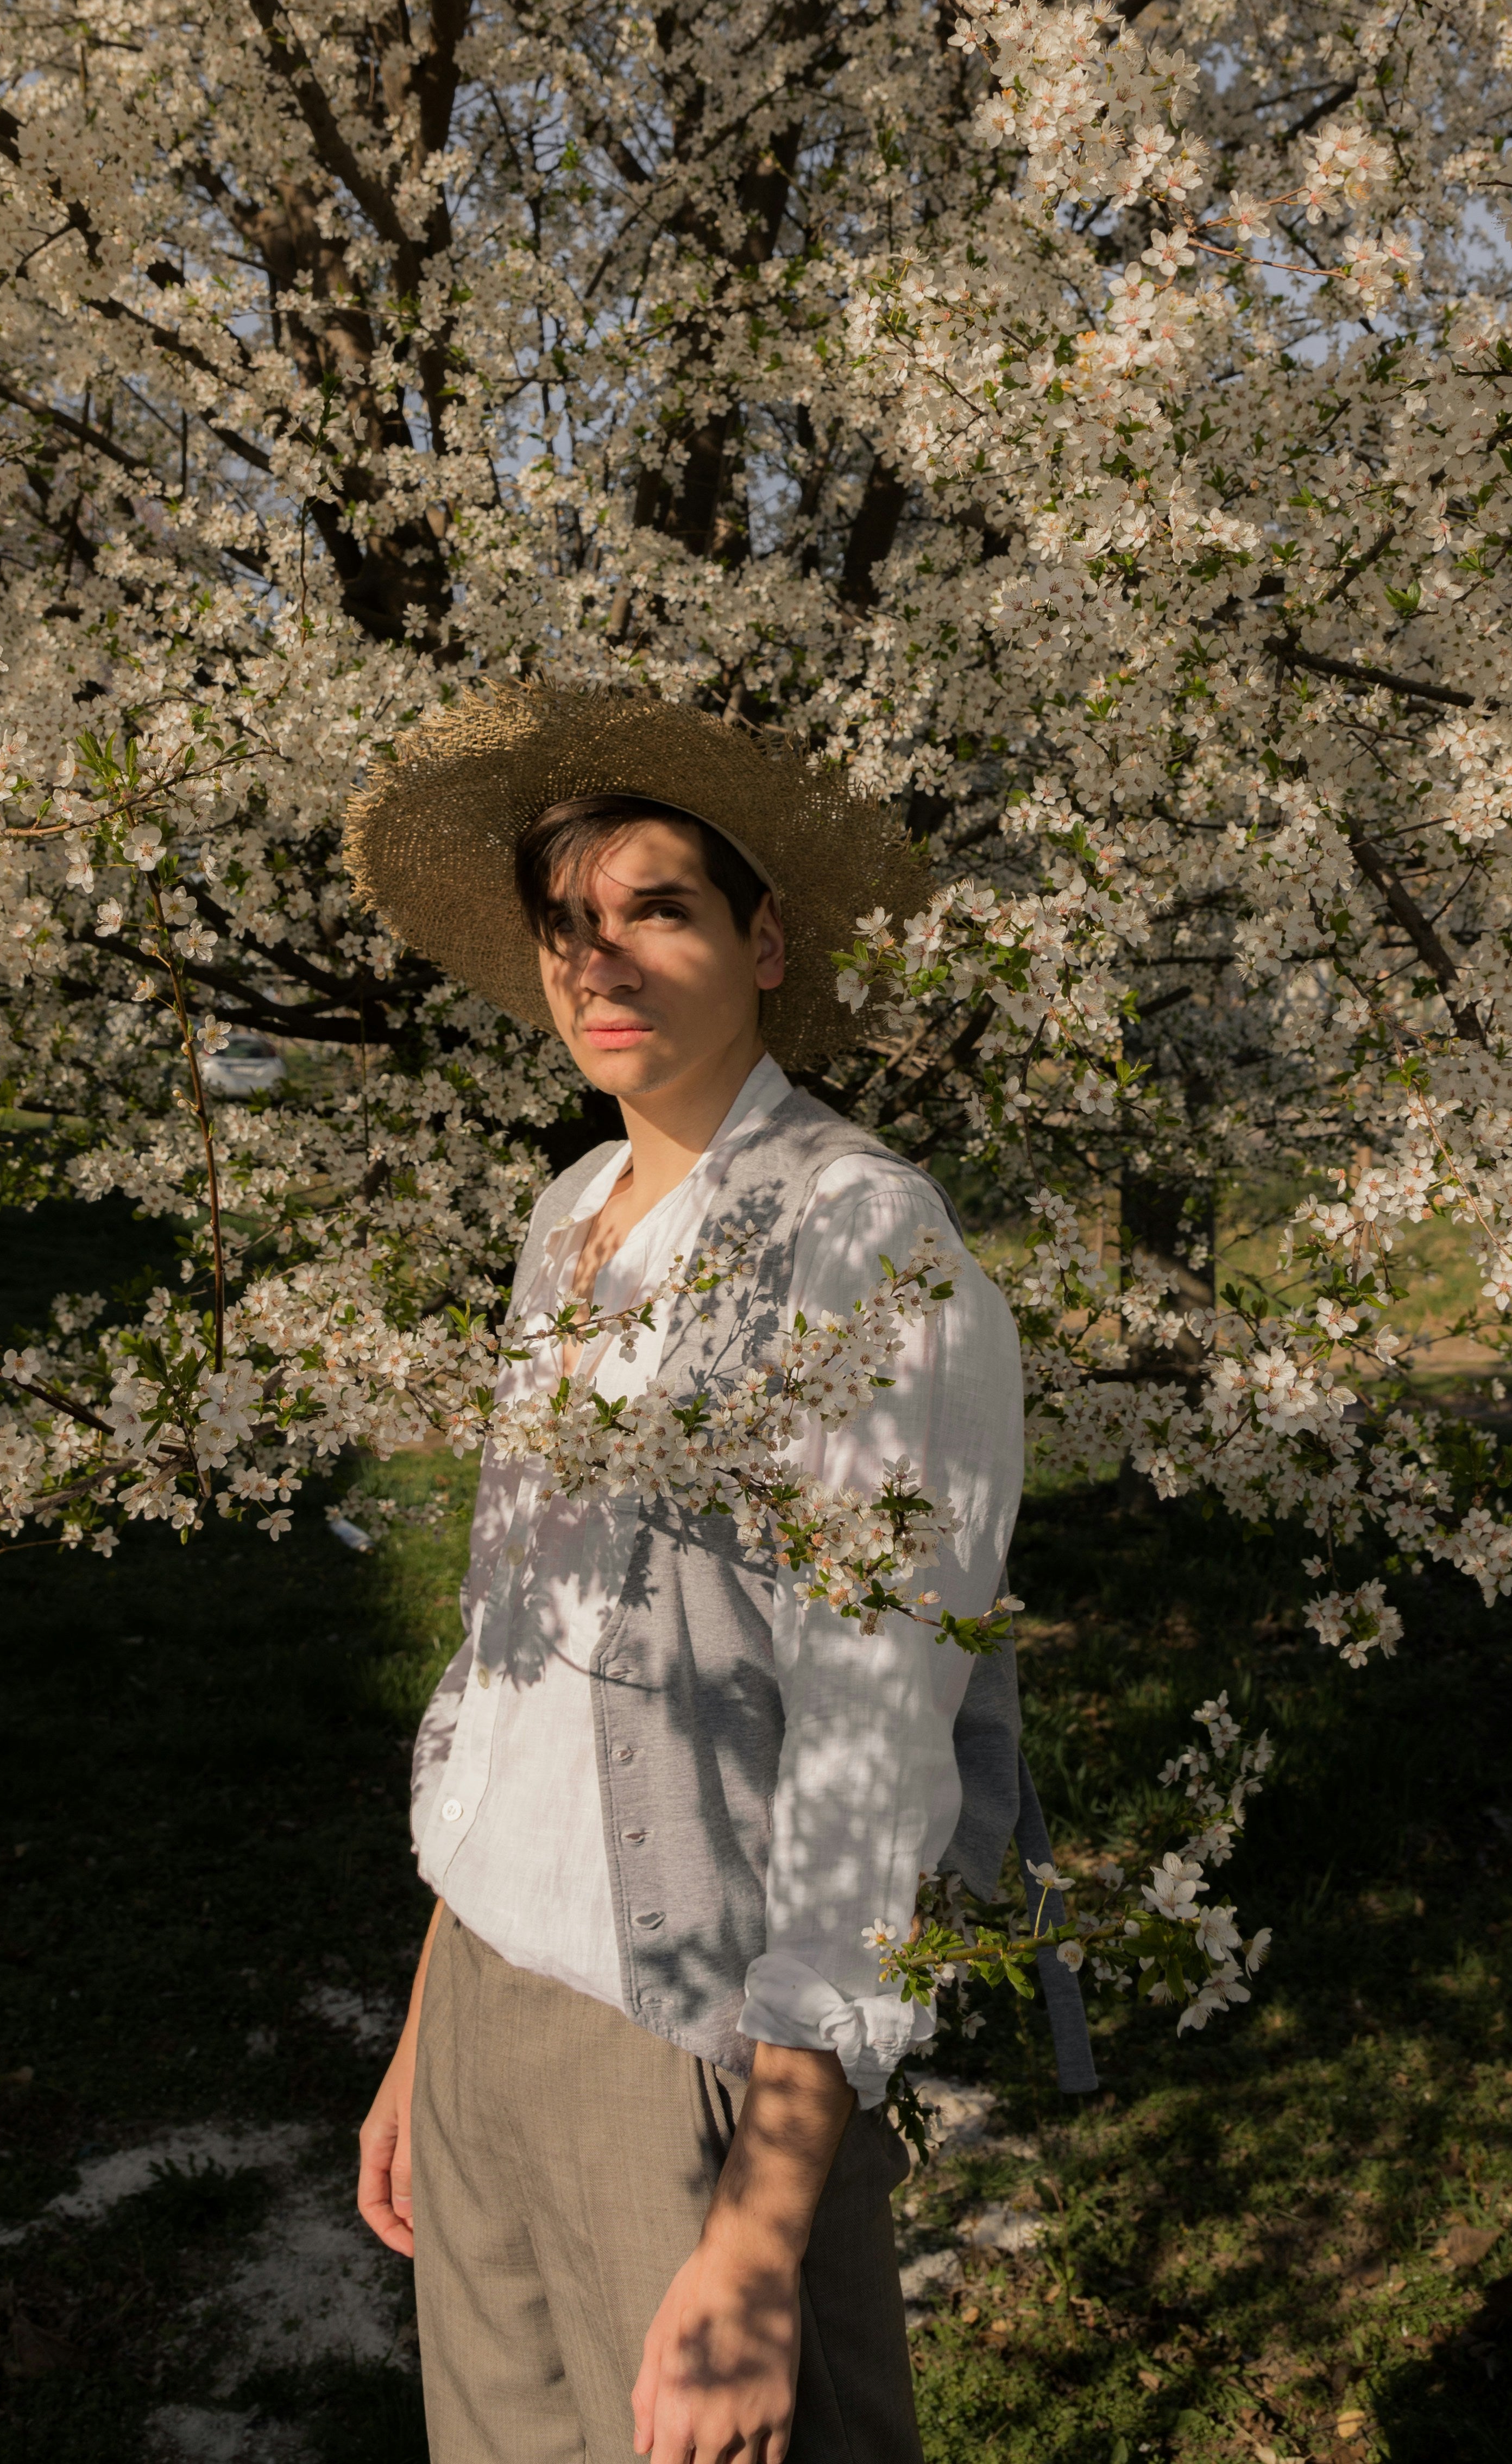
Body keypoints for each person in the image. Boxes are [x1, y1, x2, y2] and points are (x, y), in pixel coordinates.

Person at [342, 685, 1088, 2464]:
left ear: (764, 943)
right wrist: (431, 2025)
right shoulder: (568, 1220)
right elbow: (515, 1662)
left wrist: (758, 2237)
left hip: (687, 2042)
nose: (597, 961)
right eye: (564, 923)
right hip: (489, 2009)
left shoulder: (864, 1244)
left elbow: (873, 1760)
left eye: (656, 909)